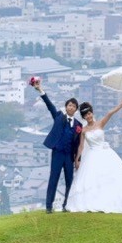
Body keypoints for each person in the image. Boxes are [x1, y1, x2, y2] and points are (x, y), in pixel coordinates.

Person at [65, 98, 122, 214]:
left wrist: (121, 105)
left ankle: (110, 202)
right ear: (84, 117)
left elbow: (110, 113)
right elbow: (81, 146)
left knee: (110, 178)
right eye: (86, 115)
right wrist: (77, 160)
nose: (88, 116)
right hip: (92, 156)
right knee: (92, 180)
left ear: (92, 113)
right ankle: (94, 203)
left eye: (89, 113)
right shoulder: (84, 130)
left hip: (105, 153)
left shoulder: (100, 123)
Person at [31, 79, 81, 213]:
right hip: (58, 153)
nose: (71, 107)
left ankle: (66, 205)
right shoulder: (58, 116)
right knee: (54, 178)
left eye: (73, 106)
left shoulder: (78, 125)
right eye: (69, 105)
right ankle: (49, 206)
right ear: (66, 107)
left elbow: (78, 144)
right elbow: (49, 105)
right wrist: (40, 90)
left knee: (70, 181)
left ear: (76, 109)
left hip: (69, 156)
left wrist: (77, 159)